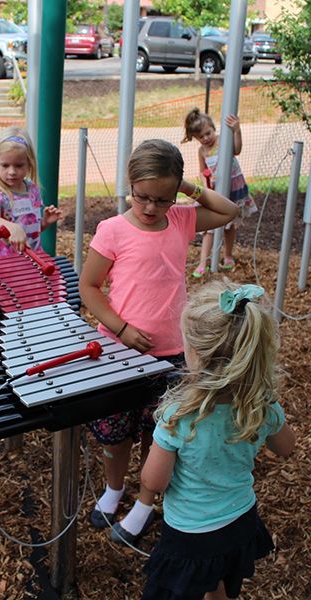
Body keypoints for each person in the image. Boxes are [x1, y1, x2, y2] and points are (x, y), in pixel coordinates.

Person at [79, 139, 239, 545]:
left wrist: (187, 189)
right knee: (115, 435)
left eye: (162, 199)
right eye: (142, 197)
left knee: (161, 437)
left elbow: (229, 210)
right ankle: (115, 490)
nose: (151, 208)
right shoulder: (112, 229)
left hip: (174, 356)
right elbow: (89, 287)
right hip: (118, 354)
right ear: (129, 185)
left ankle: (145, 504)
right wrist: (120, 329)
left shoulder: (183, 220)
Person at [140, 281, 295, 600]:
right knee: (217, 581)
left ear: (194, 354)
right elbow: (286, 447)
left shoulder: (178, 416)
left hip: (191, 534)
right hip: (240, 522)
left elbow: (154, 482)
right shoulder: (261, 403)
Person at [183, 108, 257, 277]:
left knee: (229, 226)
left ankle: (228, 256)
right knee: (209, 228)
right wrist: (205, 186)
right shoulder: (202, 151)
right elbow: (203, 171)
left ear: (213, 127)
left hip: (233, 189)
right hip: (216, 190)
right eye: (201, 137)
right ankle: (203, 263)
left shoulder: (223, 141)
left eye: (208, 133)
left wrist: (237, 130)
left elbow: (236, 150)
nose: (206, 138)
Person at [0, 126, 62, 257]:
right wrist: (12, 228)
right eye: (5, 165)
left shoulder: (33, 190)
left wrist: (44, 222)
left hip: (33, 259)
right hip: (6, 262)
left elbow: (31, 230)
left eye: (19, 165)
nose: (12, 172)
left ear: (29, 163)